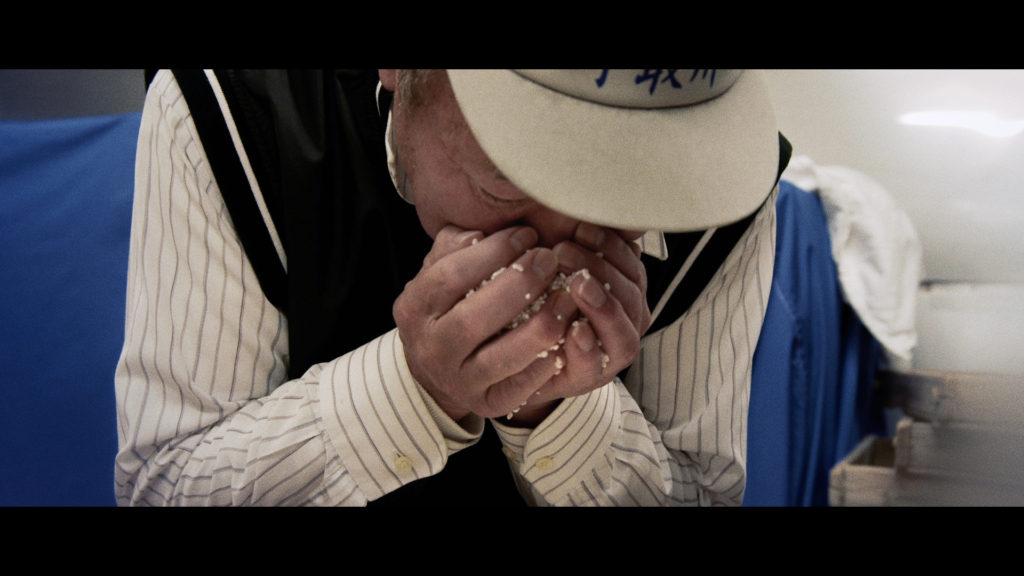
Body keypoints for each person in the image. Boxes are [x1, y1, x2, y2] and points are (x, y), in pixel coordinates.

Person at [115, 68, 789, 506]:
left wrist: (554, 412)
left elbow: (701, 494)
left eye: (621, 198)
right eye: (506, 181)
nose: (561, 251)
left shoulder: (730, 197)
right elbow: (163, 484)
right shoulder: (228, 112)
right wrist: (418, 388)